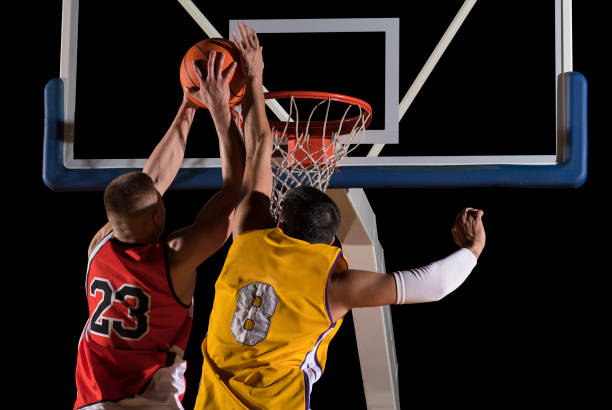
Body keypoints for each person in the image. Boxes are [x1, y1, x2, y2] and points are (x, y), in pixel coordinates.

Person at [194, 23, 486, 410]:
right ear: (330, 242)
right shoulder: (332, 286)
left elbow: (261, 145)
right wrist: (474, 247)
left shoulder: (248, 234)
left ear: (280, 222)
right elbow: (432, 286)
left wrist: (251, 77)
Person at [73, 50, 246, 409]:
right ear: (156, 217)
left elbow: (149, 182)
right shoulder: (175, 257)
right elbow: (235, 191)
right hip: (150, 400)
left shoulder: (99, 245)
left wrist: (188, 105)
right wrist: (219, 110)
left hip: (93, 400)